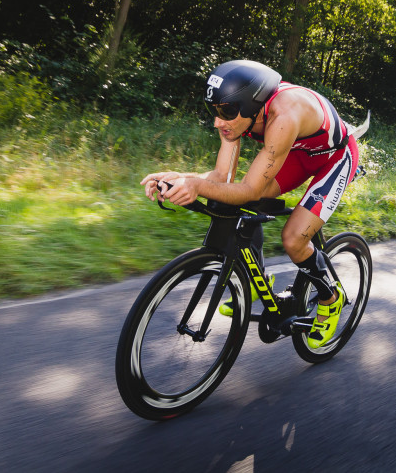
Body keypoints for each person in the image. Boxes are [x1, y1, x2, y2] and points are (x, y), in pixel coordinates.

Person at [141, 60, 359, 348]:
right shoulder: (234, 112)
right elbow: (222, 177)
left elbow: (248, 189)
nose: (218, 121)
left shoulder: (284, 115)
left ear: (252, 106)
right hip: (295, 151)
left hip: (334, 157)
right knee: (238, 200)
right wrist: (181, 177)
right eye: (215, 111)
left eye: (226, 112)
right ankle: (259, 281)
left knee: (294, 239)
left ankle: (331, 297)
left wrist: (195, 185)